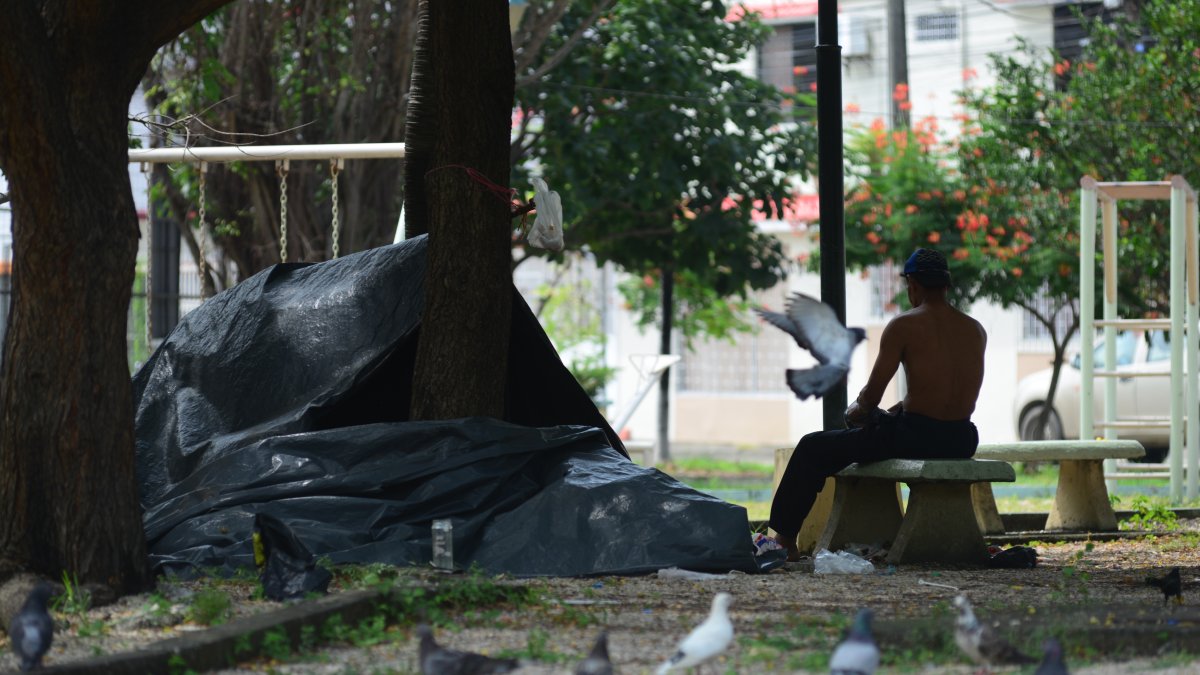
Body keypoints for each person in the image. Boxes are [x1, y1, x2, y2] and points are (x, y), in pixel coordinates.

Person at [769, 248, 987, 560]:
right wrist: (903, 408)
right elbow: (947, 393)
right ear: (946, 284)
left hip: (915, 437)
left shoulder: (904, 325)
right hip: (962, 438)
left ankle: (784, 542)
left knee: (812, 447)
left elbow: (871, 398)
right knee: (887, 426)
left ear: (912, 283)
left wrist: (857, 412)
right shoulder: (975, 329)